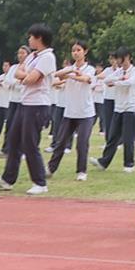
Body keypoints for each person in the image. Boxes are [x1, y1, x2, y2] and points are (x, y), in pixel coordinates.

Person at [0, 24, 57, 194]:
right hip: (25, 103)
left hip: (38, 105)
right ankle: (7, 179)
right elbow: (19, 73)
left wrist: (26, 76)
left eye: (31, 37)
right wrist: (26, 75)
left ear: (39, 38)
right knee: (13, 140)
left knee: (30, 143)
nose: (29, 40)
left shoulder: (47, 57)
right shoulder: (33, 56)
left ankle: (40, 182)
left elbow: (30, 79)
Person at [48, 41, 96, 181]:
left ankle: (81, 171)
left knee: (82, 143)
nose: (75, 53)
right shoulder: (69, 69)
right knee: (60, 142)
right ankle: (51, 168)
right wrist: (68, 72)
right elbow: (54, 76)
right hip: (70, 112)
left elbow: (86, 79)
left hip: (85, 113)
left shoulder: (90, 69)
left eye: (78, 50)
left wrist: (69, 76)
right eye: (73, 50)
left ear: (85, 52)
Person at [94, 48, 135, 172]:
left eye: (122, 58)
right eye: (118, 58)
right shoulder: (119, 71)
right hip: (118, 107)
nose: (120, 61)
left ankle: (129, 164)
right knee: (113, 137)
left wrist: (116, 83)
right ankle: (104, 162)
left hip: (131, 108)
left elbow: (130, 82)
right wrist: (118, 80)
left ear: (128, 57)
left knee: (128, 137)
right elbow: (106, 80)